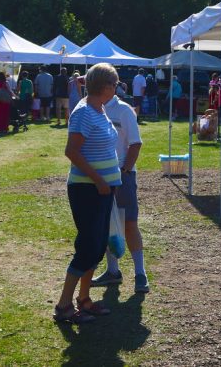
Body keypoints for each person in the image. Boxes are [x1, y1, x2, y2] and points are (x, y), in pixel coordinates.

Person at [54, 64, 122, 323]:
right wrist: (98, 180)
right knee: (87, 246)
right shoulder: (83, 112)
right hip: (87, 189)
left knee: (96, 245)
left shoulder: (99, 108)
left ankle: (84, 299)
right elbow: (72, 152)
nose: (116, 89)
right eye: (114, 84)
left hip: (103, 189)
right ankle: (63, 306)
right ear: (105, 86)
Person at [93, 89, 149, 293]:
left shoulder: (124, 110)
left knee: (130, 224)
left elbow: (135, 143)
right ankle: (113, 271)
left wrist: (124, 171)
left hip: (122, 175)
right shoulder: (91, 107)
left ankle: (140, 273)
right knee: (106, 223)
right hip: (99, 177)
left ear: (111, 86)